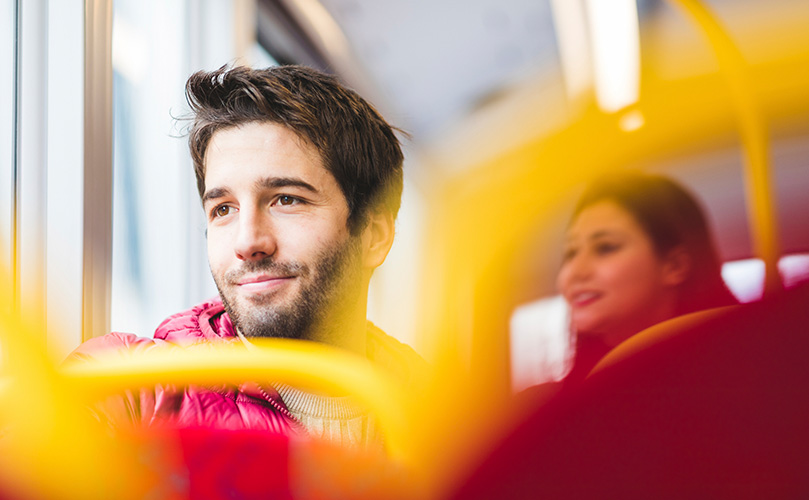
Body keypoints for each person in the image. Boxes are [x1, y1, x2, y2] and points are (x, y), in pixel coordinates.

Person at [69, 64, 424, 449]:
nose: (248, 241)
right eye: (223, 209)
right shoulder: (127, 387)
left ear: (374, 235)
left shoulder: (447, 420)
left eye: (286, 200)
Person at [555, 171, 738, 385]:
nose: (575, 272)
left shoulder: (741, 376)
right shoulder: (566, 399)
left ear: (674, 266)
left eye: (605, 248)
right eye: (571, 252)